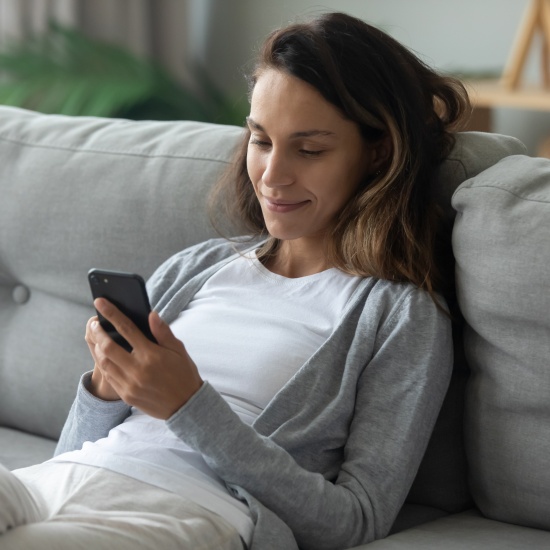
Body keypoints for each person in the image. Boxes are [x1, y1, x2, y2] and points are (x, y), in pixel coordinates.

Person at [0, 11, 470, 550]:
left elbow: (355, 520)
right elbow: (71, 453)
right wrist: (110, 385)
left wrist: (187, 404)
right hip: (56, 482)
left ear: (378, 152)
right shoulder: (199, 266)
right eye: (261, 140)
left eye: (309, 149)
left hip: (182, 513)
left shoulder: (398, 314)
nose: (272, 175)